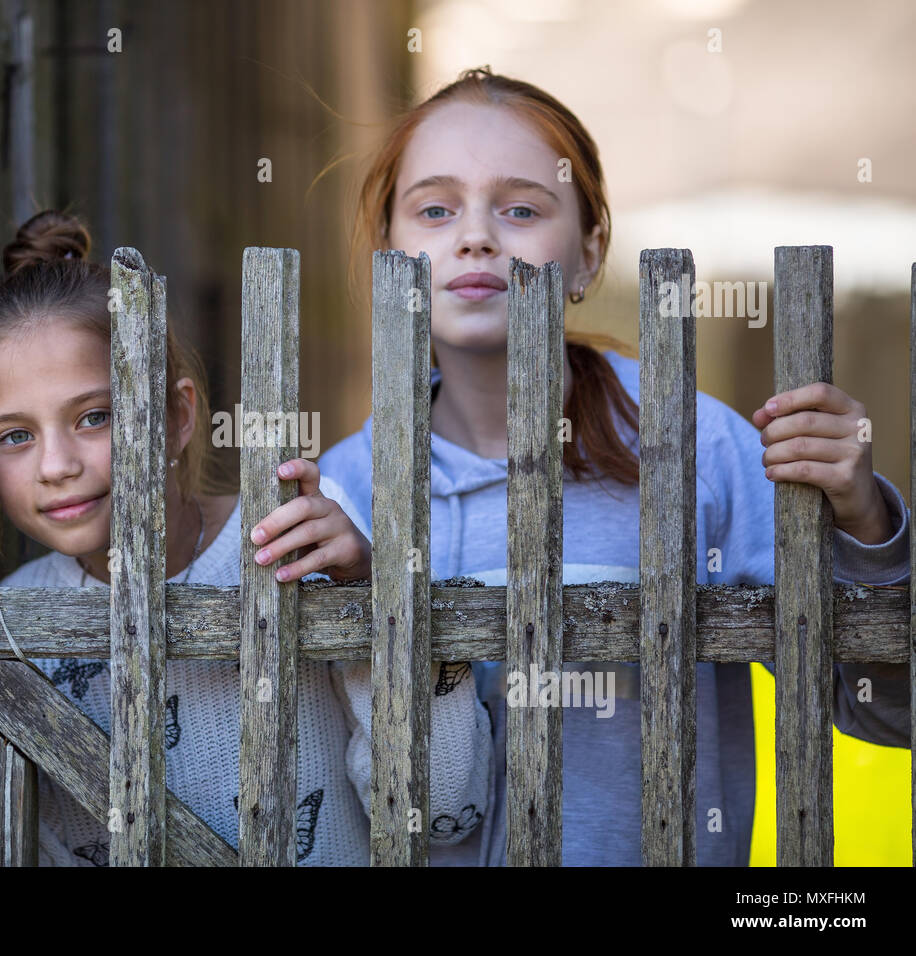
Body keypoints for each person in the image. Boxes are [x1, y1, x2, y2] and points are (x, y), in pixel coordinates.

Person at [318, 67, 912, 865]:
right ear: (390, 247)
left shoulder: (699, 451)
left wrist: (865, 521)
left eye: (522, 208)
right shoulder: (349, 494)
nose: (475, 236)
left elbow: (889, 713)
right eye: (434, 208)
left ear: (590, 253)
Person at [0, 208, 493, 865]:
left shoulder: (294, 546)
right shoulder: (1, 624)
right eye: (16, 435)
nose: (56, 466)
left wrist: (374, 601)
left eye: (95, 416)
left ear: (178, 416)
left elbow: (441, 810)